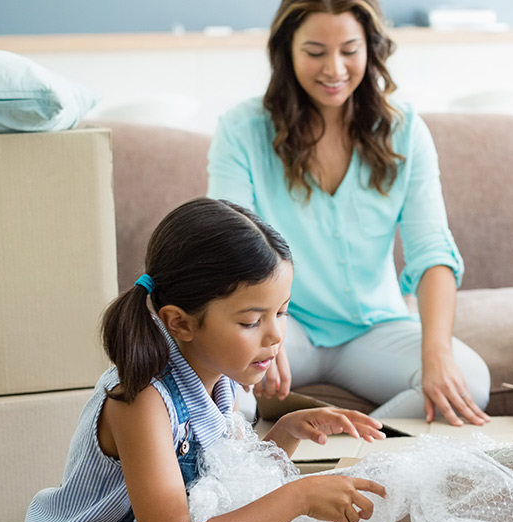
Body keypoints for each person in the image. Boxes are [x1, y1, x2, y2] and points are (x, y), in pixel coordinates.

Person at [12, 198, 387, 522]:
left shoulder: (221, 379)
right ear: (182, 323)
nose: (276, 335)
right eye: (252, 321)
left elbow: (233, 481)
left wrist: (286, 430)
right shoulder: (141, 400)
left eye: (282, 312)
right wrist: (300, 497)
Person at [207, 0, 490, 426]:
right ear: (287, 51)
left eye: (350, 50)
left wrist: (437, 354)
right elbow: (232, 243)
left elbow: (431, 252)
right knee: (221, 392)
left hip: (374, 328)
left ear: (371, 49)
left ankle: (351, 459)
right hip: (287, 323)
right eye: (315, 52)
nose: (334, 69)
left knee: (469, 382)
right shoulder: (241, 129)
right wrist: (266, 327)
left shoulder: (405, 130)